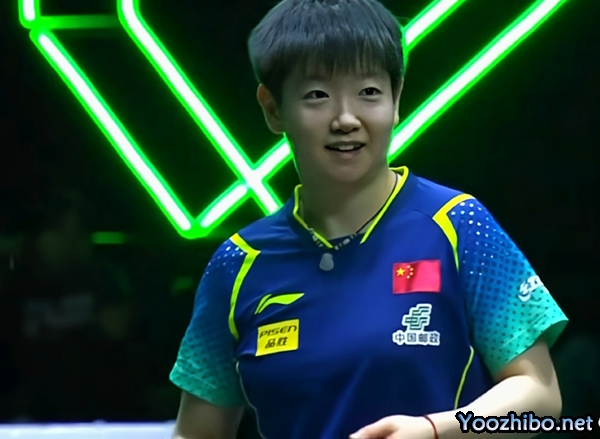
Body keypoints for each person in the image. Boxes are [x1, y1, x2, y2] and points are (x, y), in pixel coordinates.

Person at [169, 1, 568, 438]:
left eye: (369, 92)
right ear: (273, 109)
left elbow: (539, 395)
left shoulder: (459, 225)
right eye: (317, 95)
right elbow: (196, 433)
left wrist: (435, 431)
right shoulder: (237, 264)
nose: (346, 119)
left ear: (396, 99)